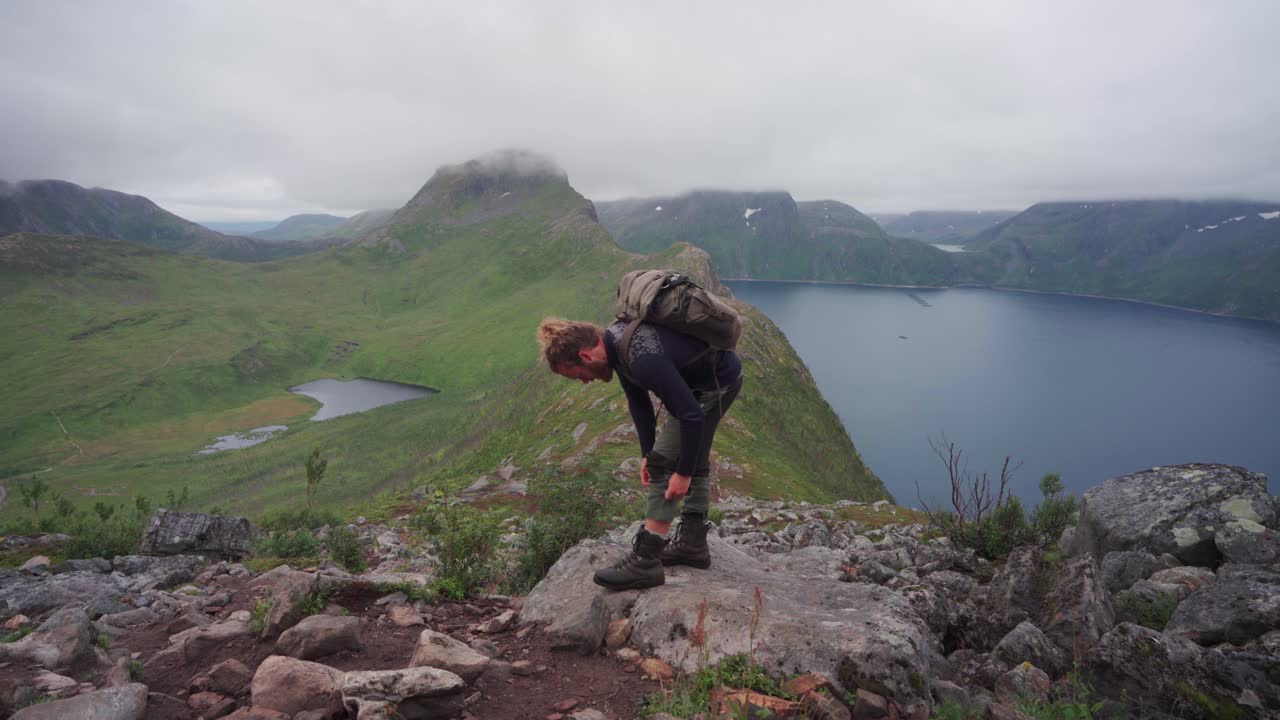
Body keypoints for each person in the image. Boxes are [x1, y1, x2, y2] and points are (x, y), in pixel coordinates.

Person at [536, 316, 743, 590]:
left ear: (585, 356)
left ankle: (646, 562)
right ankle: (693, 545)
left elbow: (691, 416)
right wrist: (646, 452)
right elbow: (639, 401)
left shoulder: (640, 356)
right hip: (712, 379)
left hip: (715, 385)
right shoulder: (617, 344)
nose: (585, 382)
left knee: (665, 461)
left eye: (578, 375)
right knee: (678, 452)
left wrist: (681, 472)